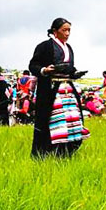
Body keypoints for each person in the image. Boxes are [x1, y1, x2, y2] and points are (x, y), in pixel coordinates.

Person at [29, 17, 90, 158]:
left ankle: (66, 151)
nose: (67, 33)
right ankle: (44, 153)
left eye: (69, 30)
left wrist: (74, 73)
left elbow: (69, 68)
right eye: (64, 30)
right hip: (51, 89)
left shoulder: (69, 48)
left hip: (67, 89)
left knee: (71, 118)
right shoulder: (44, 46)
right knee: (51, 120)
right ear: (55, 32)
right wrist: (45, 70)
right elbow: (33, 65)